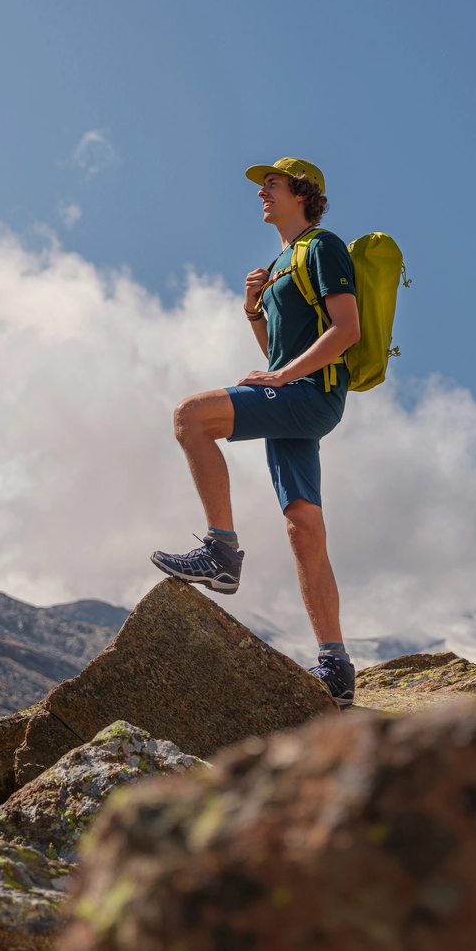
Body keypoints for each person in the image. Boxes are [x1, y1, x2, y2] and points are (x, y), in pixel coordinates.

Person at [150, 156, 361, 707]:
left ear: (302, 193)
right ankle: (336, 667)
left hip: (310, 395)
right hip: (292, 395)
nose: (262, 192)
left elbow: (347, 329)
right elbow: (276, 352)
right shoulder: (279, 264)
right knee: (303, 529)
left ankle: (222, 552)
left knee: (190, 417)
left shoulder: (323, 247)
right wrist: (253, 309)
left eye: (272, 184)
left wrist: (287, 376)